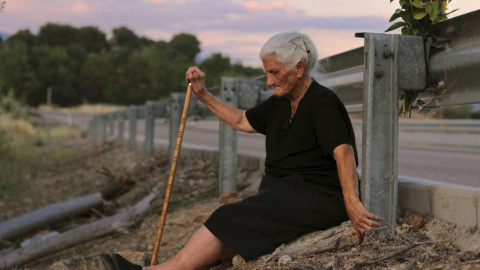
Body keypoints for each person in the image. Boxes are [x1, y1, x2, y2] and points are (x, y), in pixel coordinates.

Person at [101, 31, 381, 270]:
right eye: (267, 73)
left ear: (299, 68)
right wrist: (202, 93)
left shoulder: (322, 102)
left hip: (317, 198)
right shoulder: (281, 102)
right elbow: (240, 120)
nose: (269, 81)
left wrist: (352, 204)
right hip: (285, 194)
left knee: (225, 217)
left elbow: (343, 154)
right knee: (228, 237)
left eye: (275, 72)